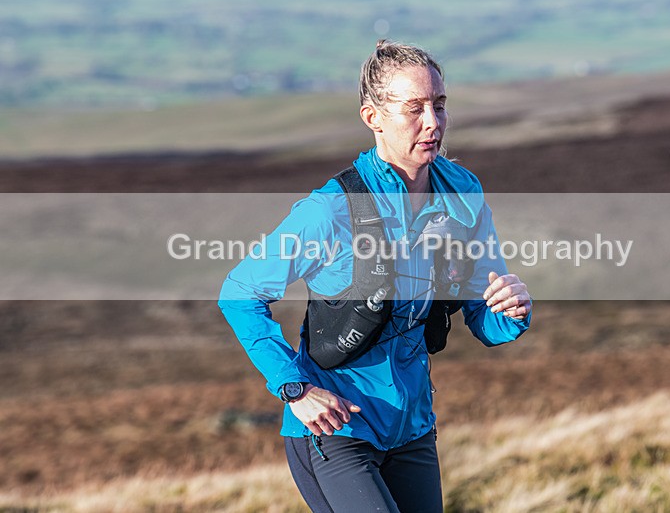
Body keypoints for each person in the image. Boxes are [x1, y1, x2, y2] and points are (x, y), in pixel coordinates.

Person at [218, 40, 532, 513]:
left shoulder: (462, 194)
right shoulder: (332, 209)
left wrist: (511, 309)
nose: (433, 122)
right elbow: (239, 292)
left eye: (439, 104)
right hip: (335, 427)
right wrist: (295, 389)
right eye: (414, 108)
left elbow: (485, 317)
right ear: (373, 117)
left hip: (412, 427)